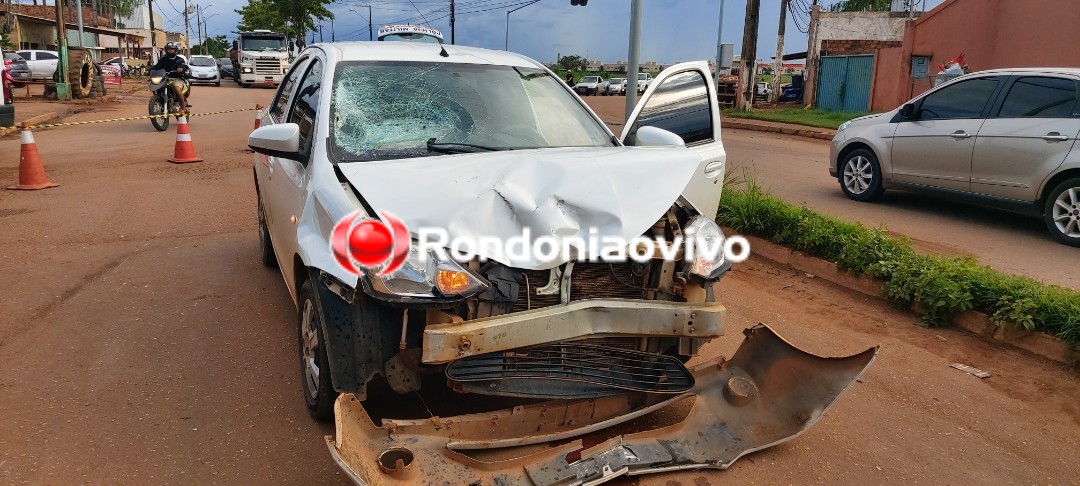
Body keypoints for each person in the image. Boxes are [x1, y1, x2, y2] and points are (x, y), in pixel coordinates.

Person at [148, 42, 190, 113]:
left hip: (176, 79)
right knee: (157, 85)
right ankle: (161, 101)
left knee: (177, 88)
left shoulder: (179, 60)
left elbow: (183, 65)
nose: (170, 51)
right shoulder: (163, 60)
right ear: (166, 50)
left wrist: (181, 68)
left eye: (172, 49)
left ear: (175, 50)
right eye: (169, 49)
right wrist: (149, 71)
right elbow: (157, 67)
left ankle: (183, 107)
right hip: (165, 79)